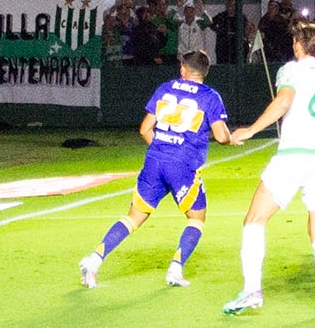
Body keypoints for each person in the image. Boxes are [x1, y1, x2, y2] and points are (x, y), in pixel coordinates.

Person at [223, 22, 315, 316]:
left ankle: (252, 291)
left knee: (254, 220)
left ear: (298, 44)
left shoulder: (290, 71)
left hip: (294, 155)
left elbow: (284, 100)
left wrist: (251, 129)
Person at [79, 51, 229, 289]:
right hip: (183, 165)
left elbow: (144, 129)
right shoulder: (210, 96)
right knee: (196, 218)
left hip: (155, 160)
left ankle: (94, 259)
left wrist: (164, 147)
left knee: (133, 217)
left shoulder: (166, 88)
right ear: (205, 72)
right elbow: (221, 136)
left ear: (183, 69)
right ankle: (175, 268)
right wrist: (232, 138)